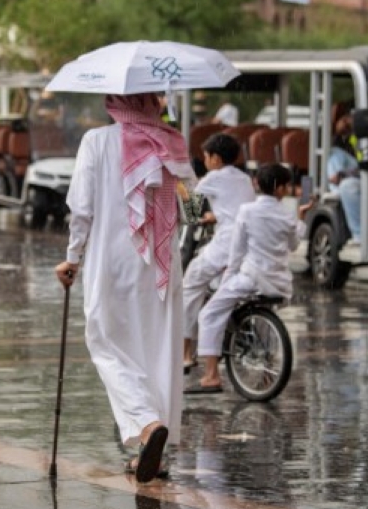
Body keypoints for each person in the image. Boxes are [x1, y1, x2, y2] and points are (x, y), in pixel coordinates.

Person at [54, 93, 195, 483]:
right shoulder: (170, 140)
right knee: (158, 350)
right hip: (162, 261)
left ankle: (147, 425)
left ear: (115, 99)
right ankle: (154, 451)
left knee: (107, 345)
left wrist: (73, 257)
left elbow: (82, 208)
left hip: (113, 260)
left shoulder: (96, 142)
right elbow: (193, 206)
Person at [191, 163, 312, 393]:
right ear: (281, 189)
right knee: (264, 320)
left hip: (252, 278)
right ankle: (269, 373)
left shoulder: (247, 211)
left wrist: (226, 280)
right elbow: (294, 245)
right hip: (278, 282)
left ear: (257, 184)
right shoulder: (287, 216)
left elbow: (236, 253)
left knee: (209, 313)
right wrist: (300, 219)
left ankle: (211, 375)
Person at [180, 133, 255, 373]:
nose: (205, 161)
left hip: (227, 244)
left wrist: (178, 183)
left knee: (191, 283)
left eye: (206, 156)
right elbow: (234, 207)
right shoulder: (244, 178)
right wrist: (215, 215)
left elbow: (192, 211)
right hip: (249, 244)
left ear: (216, 158)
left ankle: (186, 353)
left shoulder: (212, 178)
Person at [326, 112, 362, 241]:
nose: (346, 123)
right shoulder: (337, 150)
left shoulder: (357, 140)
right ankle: (359, 236)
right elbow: (335, 178)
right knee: (348, 186)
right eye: (345, 119)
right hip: (350, 183)